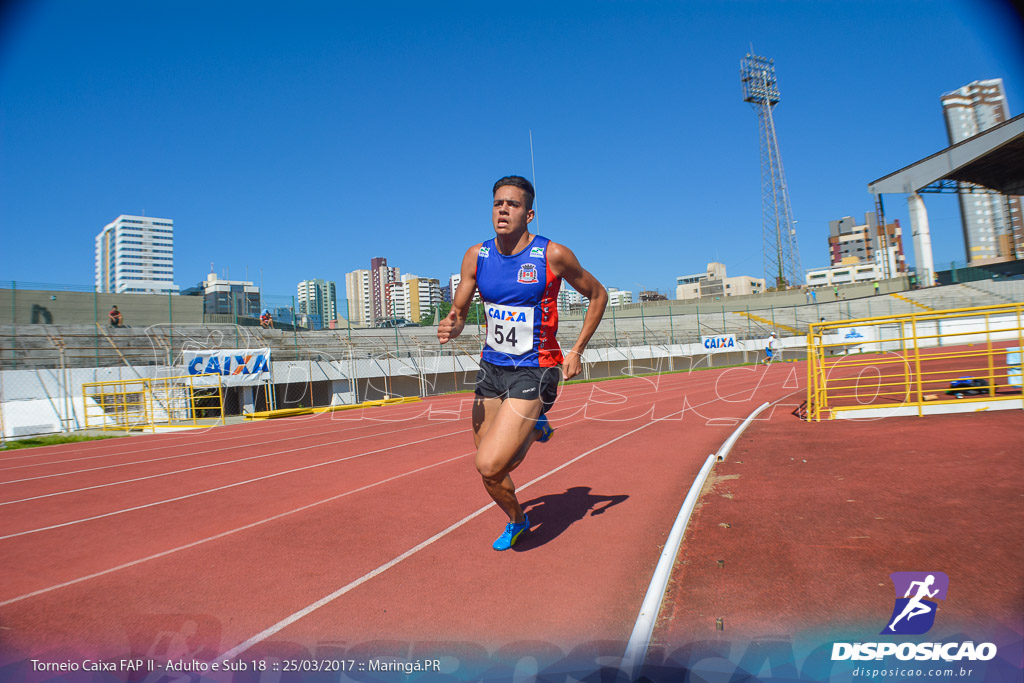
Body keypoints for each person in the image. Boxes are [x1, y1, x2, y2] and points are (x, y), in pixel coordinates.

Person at [438, 175, 607, 551]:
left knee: (490, 463)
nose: (503, 209)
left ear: (529, 213)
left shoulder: (552, 255)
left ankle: (534, 426)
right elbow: (461, 310)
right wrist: (453, 323)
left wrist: (578, 349)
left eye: (512, 204)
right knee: (491, 470)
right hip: (492, 369)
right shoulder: (476, 256)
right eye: (498, 202)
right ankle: (518, 519)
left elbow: (598, 295)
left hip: (537, 368)